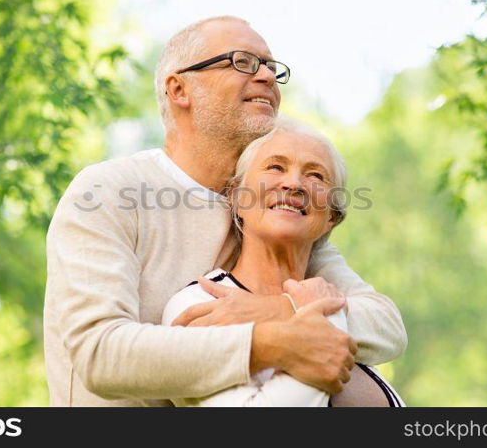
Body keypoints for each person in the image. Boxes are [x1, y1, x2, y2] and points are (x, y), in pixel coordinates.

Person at [44, 16, 407, 406]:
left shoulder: (271, 216)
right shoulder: (109, 191)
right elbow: (100, 354)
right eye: (242, 62)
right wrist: (269, 342)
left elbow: (384, 325)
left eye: (271, 66)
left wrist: (278, 310)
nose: (267, 76)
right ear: (179, 89)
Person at [162, 118, 405, 407]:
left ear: (331, 218)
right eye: (275, 167)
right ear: (237, 198)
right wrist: (323, 318)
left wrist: (298, 310)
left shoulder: (332, 300)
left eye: (316, 176)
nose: (293, 184)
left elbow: (391, 331)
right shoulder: (200, 302)